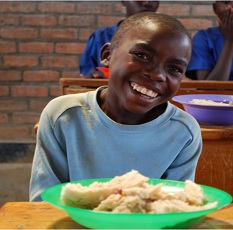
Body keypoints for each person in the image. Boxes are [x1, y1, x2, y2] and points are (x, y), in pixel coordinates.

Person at [30, 12, 202, 201]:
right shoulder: (63, 117)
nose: (157, 75)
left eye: (174, 69)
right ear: (106, 55)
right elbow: (44, 203)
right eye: (142, 55)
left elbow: (175, 207)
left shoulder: (183, 131)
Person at [79, 1, 159, 78]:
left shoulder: (164, 40)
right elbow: (87, 74)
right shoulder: (100, 37)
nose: (148, 2)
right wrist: (92, 78)